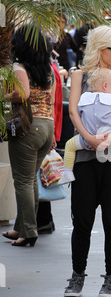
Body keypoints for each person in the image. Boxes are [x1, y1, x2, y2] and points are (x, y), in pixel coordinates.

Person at [64, 25, 111, 297]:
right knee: (81, 220)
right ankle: (77, 275)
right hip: (84, 157)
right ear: (99, 50)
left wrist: (108, 138)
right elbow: (73, 111)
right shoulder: (79, 76)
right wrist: (89, 139)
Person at [2, 27, 55, 247]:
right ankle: (21, 227)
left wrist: (4, 95)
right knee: (30, 178)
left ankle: (29, 231)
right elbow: (50, 100)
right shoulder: (47, 69)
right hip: (47, 125)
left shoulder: (19, 67)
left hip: (27, 126)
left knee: (22, 181)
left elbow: (22, 93)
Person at [60, 67, 111, 184]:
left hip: (86, 139)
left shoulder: (85, 98)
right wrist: (108, 138)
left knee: (69, 146)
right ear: (105, 86)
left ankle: (67, 172)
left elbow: (76, 114)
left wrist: (90, 138)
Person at [36, 61, 63, 234]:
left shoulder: (44, 70)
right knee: (42, 174)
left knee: (39, 175)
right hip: (50, 127)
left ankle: (43, 220)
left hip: (46, 126)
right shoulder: (50, 69)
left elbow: (51, 103)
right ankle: (45, 220)